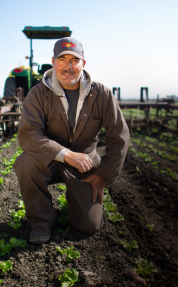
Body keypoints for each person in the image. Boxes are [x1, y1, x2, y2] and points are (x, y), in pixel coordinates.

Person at [14, 37, 130, 244]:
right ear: (53, 62)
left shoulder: (101, 93)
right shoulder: (38, 93)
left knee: (89, 226)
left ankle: (76, 201)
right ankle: (40, 222)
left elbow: (119, 135)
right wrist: (66, 154)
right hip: (50, 160)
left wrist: (102, 174)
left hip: (84, 165)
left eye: (74, 60)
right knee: (25, 162)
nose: (68, 66)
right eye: (62, 59)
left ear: (83, 64)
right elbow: (28, 134)